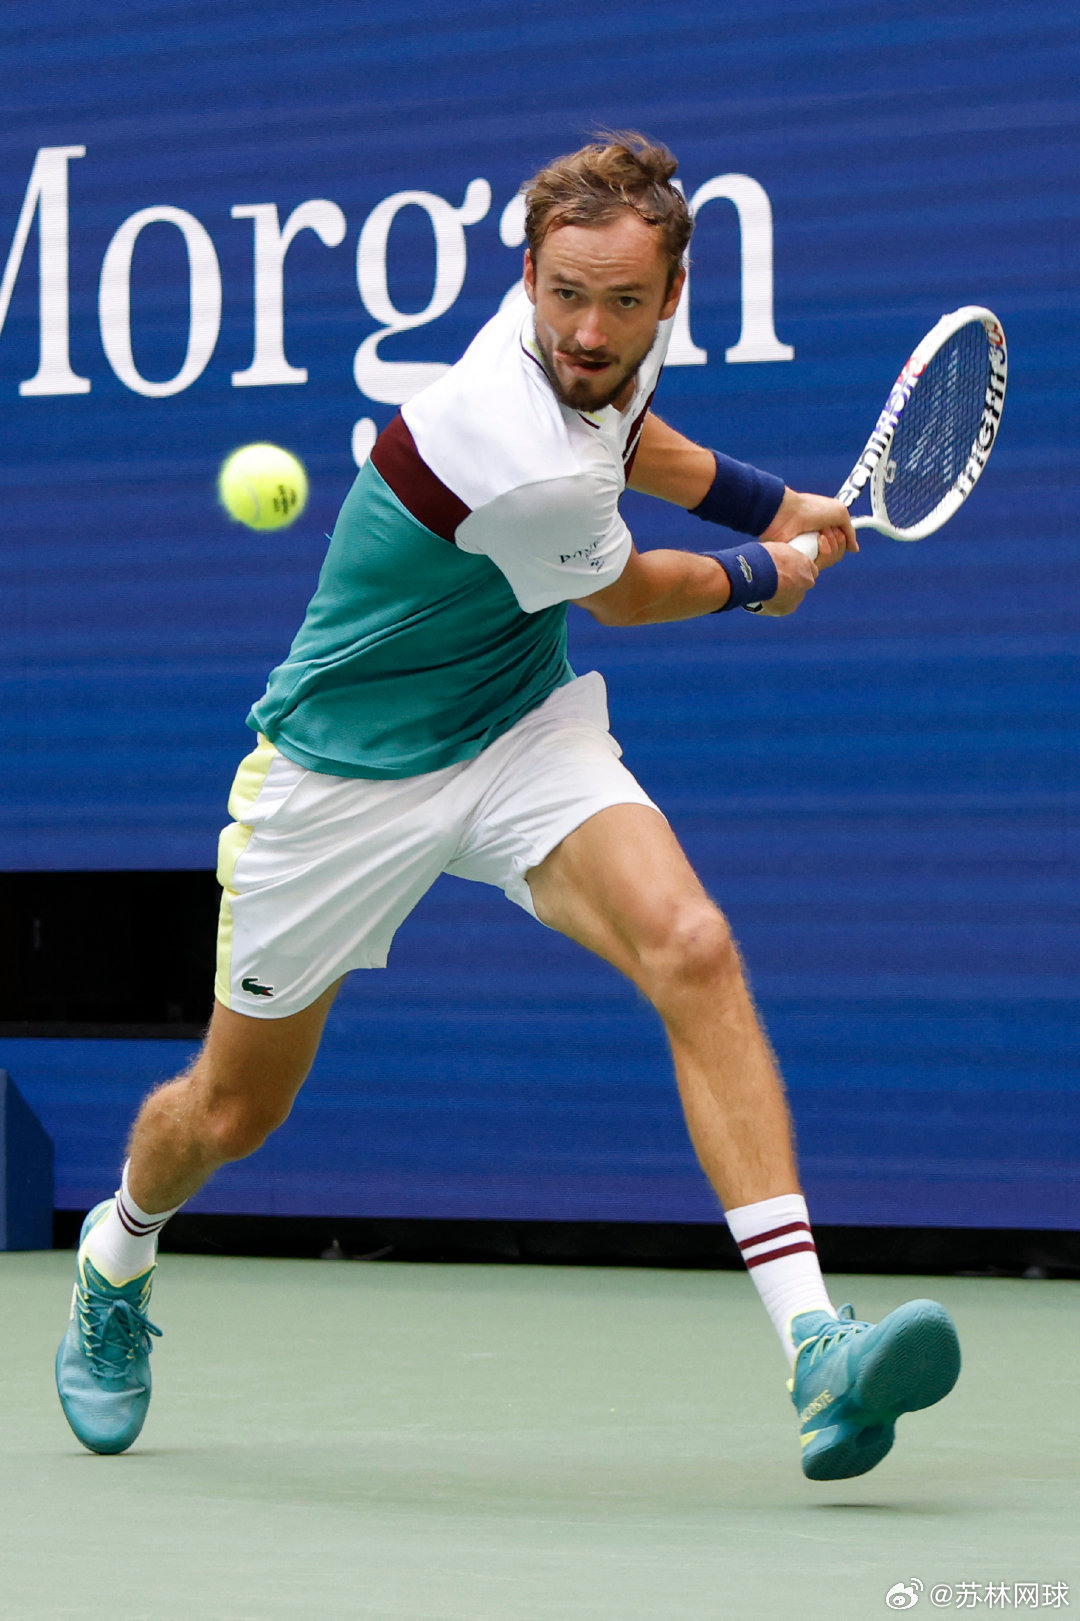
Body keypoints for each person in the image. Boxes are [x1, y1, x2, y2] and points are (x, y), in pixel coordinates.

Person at [56, 133, 960, 1478]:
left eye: (624, 303)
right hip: (345, 779)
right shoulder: (511, 441)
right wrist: (763, 573)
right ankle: (117, 1250)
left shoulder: (602, 346)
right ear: (527, 276)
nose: (590, 333)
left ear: (670, 294)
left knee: (692, 945)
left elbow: (634, 436)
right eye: (567, 298)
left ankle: (816, 1347)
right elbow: (627, 594)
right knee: (233, 1116)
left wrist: (780, 502)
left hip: (519, 723)